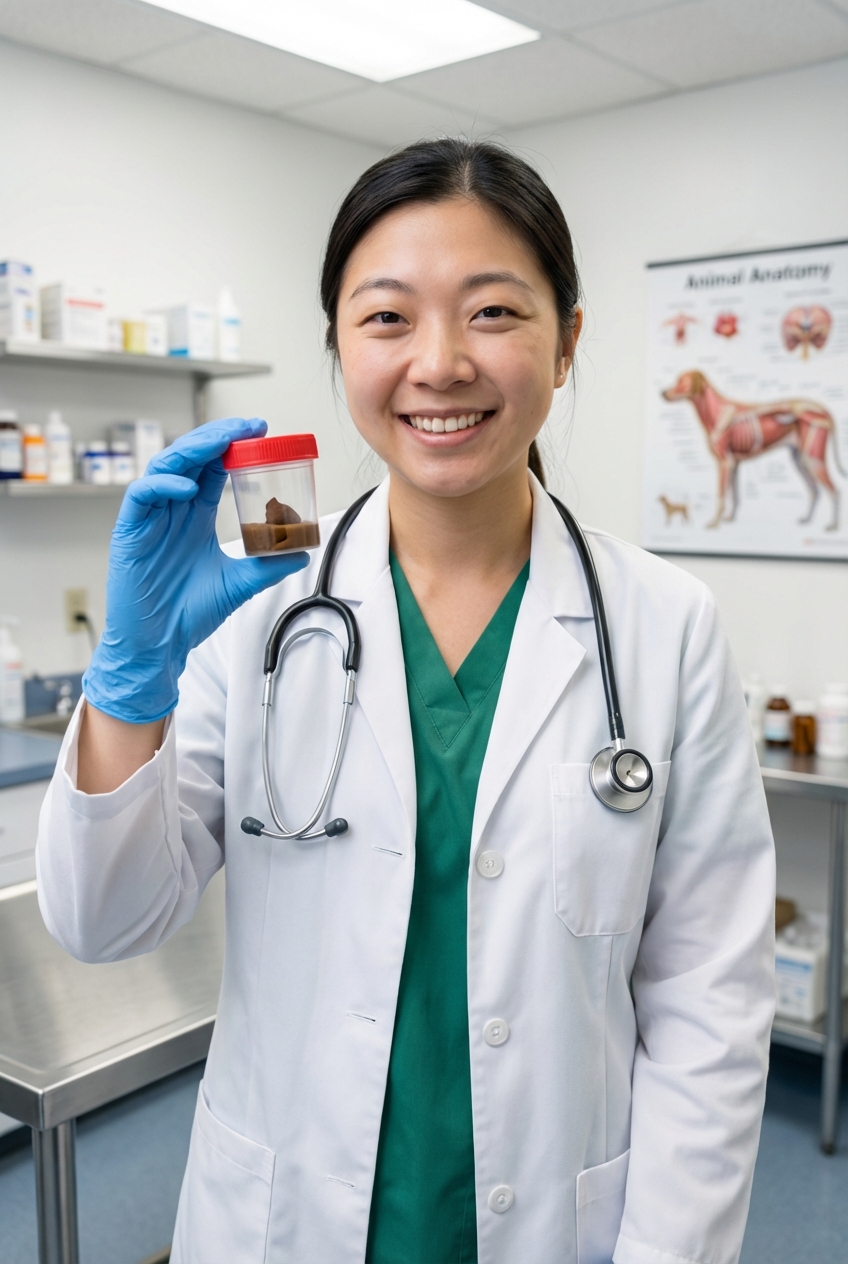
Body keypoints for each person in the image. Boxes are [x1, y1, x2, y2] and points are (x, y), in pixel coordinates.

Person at [37, 139, 775, 1264]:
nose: (439, 364)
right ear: (337, 344)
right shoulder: (260, 611)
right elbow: (105, 920)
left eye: (492, 313)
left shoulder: (663, 629)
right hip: (280, 1217)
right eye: (385, 319)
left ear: (566, 342)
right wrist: (129, 679)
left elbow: (708, 1001)